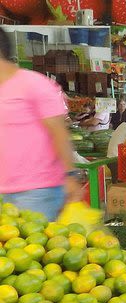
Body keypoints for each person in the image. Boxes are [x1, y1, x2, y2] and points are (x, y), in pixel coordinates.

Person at [0, 26, 82, 220]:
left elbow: (59, 133)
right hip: (4, 190)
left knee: (35, 248)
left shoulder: (35, 85)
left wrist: (70, 175)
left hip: (36, 192)